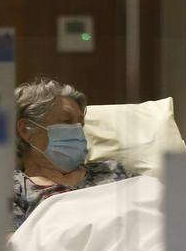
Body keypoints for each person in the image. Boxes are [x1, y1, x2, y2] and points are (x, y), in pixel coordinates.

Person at [12, 77, 137, 232]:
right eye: (66, 121)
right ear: (26, 130)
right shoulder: (13, 189)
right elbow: (13, 248)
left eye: (81, 124)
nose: (78, 130)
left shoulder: (113, 170)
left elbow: (157, 206)